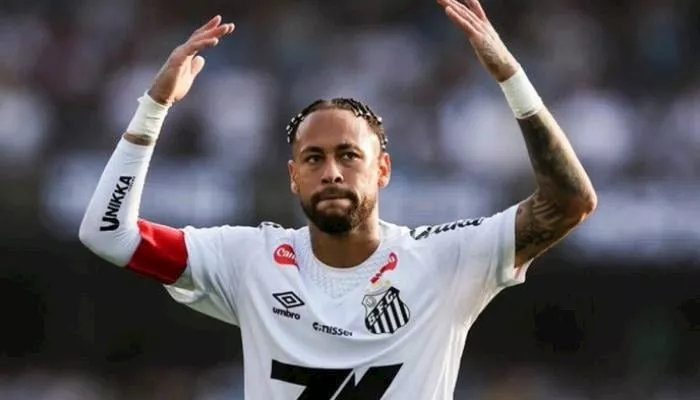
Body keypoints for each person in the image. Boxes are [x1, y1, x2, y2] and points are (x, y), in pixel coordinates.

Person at [79, 0, 597, 398]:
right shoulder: (249, 261)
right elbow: (108, 234)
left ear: (383, 170)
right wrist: (154, 106)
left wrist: (511, 79)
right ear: (293, 178)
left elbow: (570, 202)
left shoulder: (446, 259)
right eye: (313, 158)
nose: (330, 172)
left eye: (349, 156)